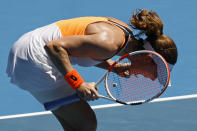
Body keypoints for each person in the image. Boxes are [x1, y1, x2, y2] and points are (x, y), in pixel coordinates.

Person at [6, 9, 178, 131]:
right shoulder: (108, 43)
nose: (146, 77)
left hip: (29, 48)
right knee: (86, 124)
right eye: (152, 73)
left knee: (78, 125)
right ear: (146, 57)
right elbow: (55, 47)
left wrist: (111, 65)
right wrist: (78, 83)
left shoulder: (121, 36)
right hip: (33, 61)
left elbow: (81, 50)